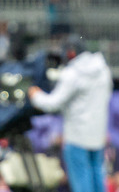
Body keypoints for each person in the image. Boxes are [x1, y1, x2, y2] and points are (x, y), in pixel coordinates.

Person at [28, 34, 113, 192]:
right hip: (97, 135)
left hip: (77, 137)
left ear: (71, 52)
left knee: (81, 183)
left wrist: (35, 95)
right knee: (97, 179)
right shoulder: (103, 70)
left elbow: (53, 103)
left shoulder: (72, 73)